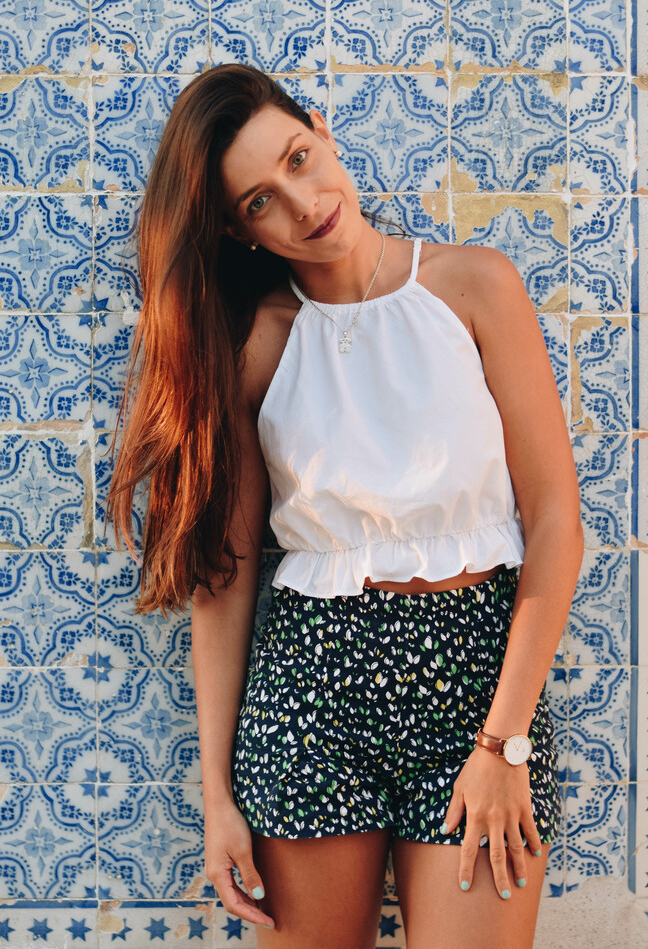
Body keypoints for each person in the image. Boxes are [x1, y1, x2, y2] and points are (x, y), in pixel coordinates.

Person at [105, 61, 584, 949]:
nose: (304, 202)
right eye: (260, 201)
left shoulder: (475, 286)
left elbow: (556, 521)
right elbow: (224, 576)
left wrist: (504, 743)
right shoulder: (256, 346)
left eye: (297, 157)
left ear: (323, 131)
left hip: (478, 687)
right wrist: (218, 798)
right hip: (310, 693)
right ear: (239, 230)